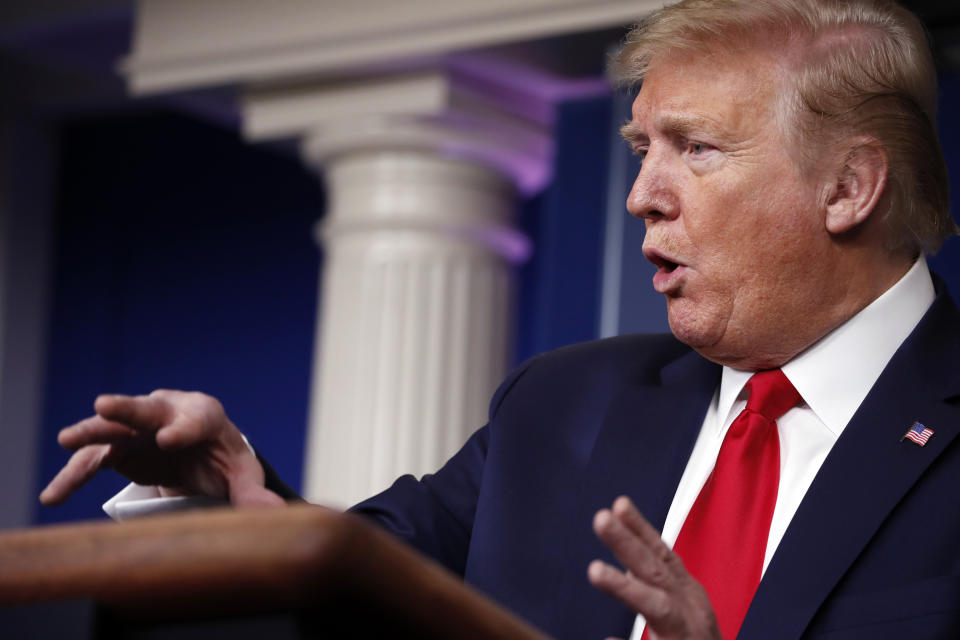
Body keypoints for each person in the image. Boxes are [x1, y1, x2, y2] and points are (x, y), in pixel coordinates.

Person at [39, 0, 960, 638]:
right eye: (643, 149)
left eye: (698, 149)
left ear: (848, 187)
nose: (642, 195)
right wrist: (227, 493)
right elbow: (366, 591)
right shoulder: (561, 403)